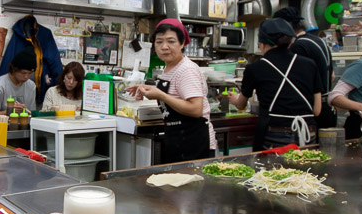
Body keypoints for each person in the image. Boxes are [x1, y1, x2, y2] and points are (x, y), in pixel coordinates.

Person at [126, 19, 217, 163]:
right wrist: (151, 90)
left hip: (195, 141)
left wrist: (161, 95)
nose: (164, 47)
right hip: (179, 139)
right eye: (159, 41)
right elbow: (175, 95)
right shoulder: (170, 68)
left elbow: (195, 109)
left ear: (182, 44)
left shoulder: (186, 70)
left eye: (171, 41)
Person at [228, 18, 322, 150]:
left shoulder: (255, 68)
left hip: (276, 134)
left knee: (273, 170)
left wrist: (235, 100)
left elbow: (241, 104)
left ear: (262, 44)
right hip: (307, 132)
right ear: (289, 42)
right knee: (305, 169)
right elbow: (317, 110)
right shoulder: (310, 64)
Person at [274, 6, 337, 128]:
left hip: (313, 109)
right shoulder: (319, 40)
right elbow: (332, 76)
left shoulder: (299, 46)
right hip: (328, 107)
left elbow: (299, 83)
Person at [0, 47, 37, 114]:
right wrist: (9, 111)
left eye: (30, 73)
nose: (26, 77)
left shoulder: (31, 86)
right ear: (13, 69)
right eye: (23, 73)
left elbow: (32, 112)